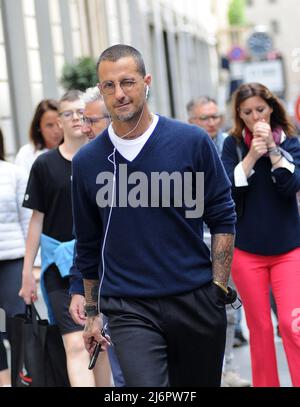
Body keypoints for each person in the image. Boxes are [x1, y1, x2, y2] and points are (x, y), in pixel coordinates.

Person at [72, 44, 236, 387]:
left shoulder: (190, 141)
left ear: (146, 82)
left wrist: (218, 288)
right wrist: (91, 313)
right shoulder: (87, 162)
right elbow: (87, 244)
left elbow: (222, 215)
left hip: (195, 299)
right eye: (109, 86)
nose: (119, 94)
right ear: (100, 91)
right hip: (128, 307)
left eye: (128, 82)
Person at [221, 82, 300, 387]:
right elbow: (227, 188)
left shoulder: (290, 141)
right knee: (261, 330)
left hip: (289, 249)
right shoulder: (234, 145)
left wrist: (273, 151)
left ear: (271, 108)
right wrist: (252, 157)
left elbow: (289, 186)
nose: (256, 117)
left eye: (260, 110)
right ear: (240, 115)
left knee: (294, 326)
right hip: (247, 252)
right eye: (248, 112)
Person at [19, 90, 96, 387]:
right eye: (68, 113)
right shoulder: (45, 165)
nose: (75, 118)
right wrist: (28, 273)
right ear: (59, 121)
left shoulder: (103, 157)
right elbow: (36, 221)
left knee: (100, 345)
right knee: (76, 345)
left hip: (99, 266)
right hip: (59, 268)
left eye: (80, 111)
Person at [187, 97, 250, 387]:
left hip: (226, 238)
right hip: (195, 239)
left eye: (215, 116)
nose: (212, 122)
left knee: (227, 306)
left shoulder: (230, 145)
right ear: (192, 121)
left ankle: (225, 369)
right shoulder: (184, 147)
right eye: (204, 117)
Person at [68, 86, 123, 387]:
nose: (84, 128)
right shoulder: (86, 163)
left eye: (91, 120)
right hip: (110, 288)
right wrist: (79, 288)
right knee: (126, 374)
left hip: (158, 285)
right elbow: (86, 238)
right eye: (81, 120)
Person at [0, 128, 31, 386]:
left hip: (12, 259)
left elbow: (27, 220)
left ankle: (21, 378)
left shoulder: (12, 173)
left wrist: (32, 265)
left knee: (16, 322)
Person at [15, 99, 63, 174]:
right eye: (49, 125)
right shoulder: (26, 154)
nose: (56, 130)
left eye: (59, 123)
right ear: (38, 127)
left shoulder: (74, 150)